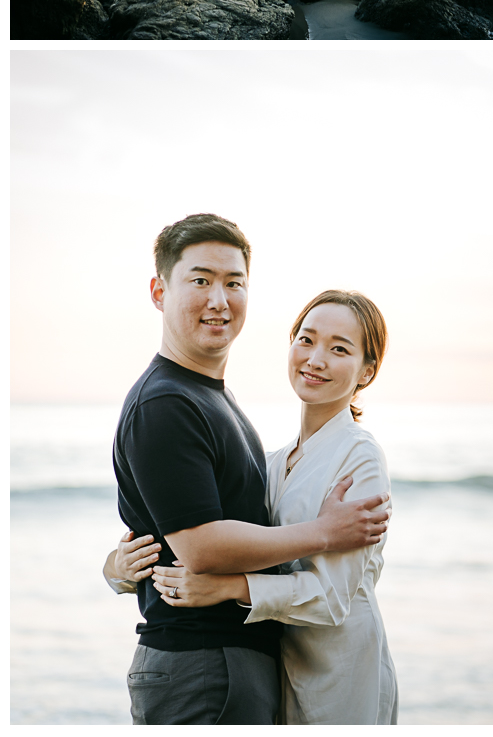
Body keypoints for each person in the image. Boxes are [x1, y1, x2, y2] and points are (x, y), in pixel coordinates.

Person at [104, 214, 390, 726]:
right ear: (159, 291)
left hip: (298, 670)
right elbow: (199, 544)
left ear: (367, 371)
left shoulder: (236, 415)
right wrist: (118, 569)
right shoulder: (169, 403)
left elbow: (327, 592)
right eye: (200, 280)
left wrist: (230, 585)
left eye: (233, 283)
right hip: (207, 666)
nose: (219, 299)